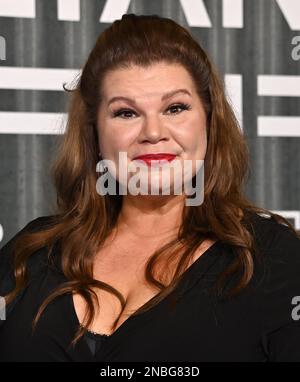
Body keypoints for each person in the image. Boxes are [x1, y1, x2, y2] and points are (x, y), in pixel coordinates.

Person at [0, 13, 300, 362]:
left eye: (175, 108)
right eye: (126, 113)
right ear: (95, 134)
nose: (153, 132)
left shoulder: (268, 259)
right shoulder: (31, 253)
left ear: (208, 123)